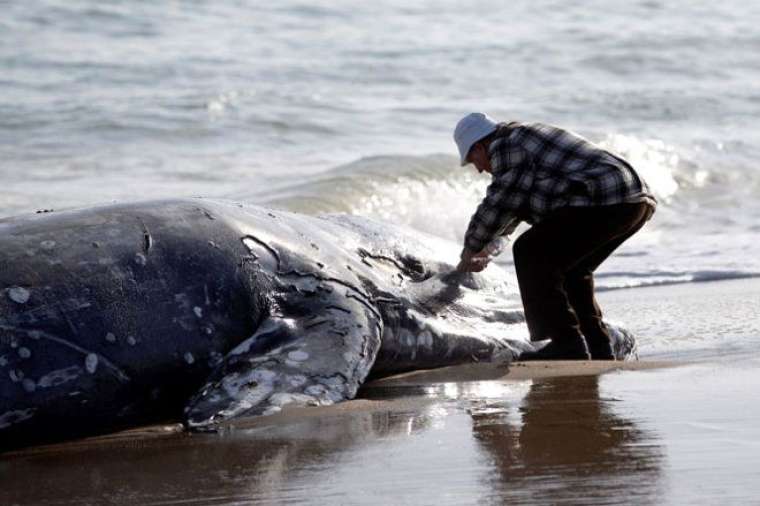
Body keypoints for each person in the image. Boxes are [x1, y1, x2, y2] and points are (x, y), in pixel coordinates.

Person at [453, 112, 656, 361]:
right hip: (632, 201)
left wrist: (469, 248)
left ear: (480, 145)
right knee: (573, 272)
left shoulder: (506, 144)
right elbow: (510, 216)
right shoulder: (520, 144)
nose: (479, 169)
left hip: (606, 197)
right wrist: (486, 252)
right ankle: (598, 347)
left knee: (529, 251)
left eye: (473, 160)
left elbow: (500, 204)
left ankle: (567, 343)